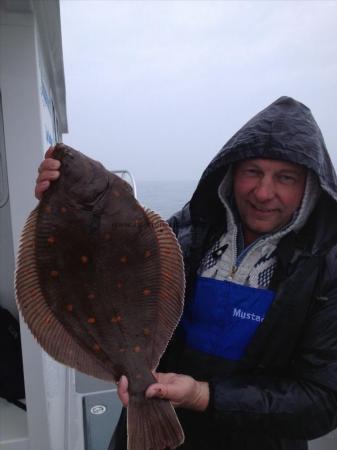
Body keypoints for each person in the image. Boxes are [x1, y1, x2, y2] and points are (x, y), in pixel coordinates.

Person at [36, 96, 337, 450]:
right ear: (232, 172)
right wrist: (64, 210)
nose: (263, 192)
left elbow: (322, 401)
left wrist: (203, 395)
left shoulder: (326, 269)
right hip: (151, 419)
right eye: (252, 171)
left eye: (285, 177)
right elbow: (95, 272)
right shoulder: (183, 234)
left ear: (309, 186)